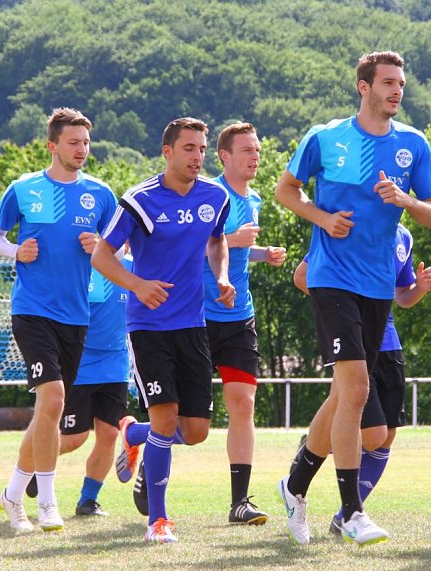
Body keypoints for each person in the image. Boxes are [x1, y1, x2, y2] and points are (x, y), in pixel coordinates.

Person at [275, 50, 431, 546]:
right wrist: (323, 219)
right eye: (388, 82)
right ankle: (352, 511)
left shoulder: (413, 144)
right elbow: (286, 190)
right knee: (356, 391)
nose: (397, 91)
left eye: (401, 84)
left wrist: (405, 200)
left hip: (377, 286)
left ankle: (294, 484)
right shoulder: (326, 137)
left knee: (344, 394)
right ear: (363, 87)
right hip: (331, 278)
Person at [92, 117, 234, 544]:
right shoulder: (139, 200)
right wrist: (137, 285)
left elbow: (217, 240)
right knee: (166, 418)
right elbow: (102, 255)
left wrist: (222, 276)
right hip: (149, 327)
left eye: (202, 149)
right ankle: (158, 521)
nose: (197, 157)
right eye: (189, 148)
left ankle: (134, 434)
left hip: (193, 326)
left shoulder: (216, 196)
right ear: (167, 151)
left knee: (195, 431)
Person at [0, 107, 117, 533]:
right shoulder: (24, 188)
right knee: (54, 397)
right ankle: (46, 503)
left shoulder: (100, 194)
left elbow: (120, 248)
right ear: (52, 145)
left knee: (48, 410)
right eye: (73, 142)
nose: (82, 149)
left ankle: (12, 493)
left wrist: (100, 245)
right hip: (32, 310)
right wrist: (15, 251)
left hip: (76, 315)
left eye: (86, 142)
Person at [292, 223, 431, 537]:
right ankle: (324, 466)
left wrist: (420, 288)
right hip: (354, 344)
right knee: (372, 434)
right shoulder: (353, 223)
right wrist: (341, 310)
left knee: (386, 436)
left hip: (389, 345)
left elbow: (403, 296)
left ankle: (341, 513)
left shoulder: (404, 236)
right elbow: (302, 276)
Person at [204, 122, 286, 525]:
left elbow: (238, 247)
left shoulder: (253, 199)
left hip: (239, 316)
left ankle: (240, 502)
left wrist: (261, 254)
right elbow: (186, 248)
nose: (255, 157)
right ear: (225, 156)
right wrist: (234, 240)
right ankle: (141, 440)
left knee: (242, 403)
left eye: (257, 150)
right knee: (187, 418)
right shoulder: (207, 196)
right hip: (196, 315)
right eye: (247, 151)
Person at [59, 253, 132, 518]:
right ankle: (31, 465)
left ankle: (88, 500)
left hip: (116, 364)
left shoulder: (134, 267)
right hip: (79, 365)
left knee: (109, 434)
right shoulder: (82, 266)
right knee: (73, 438)